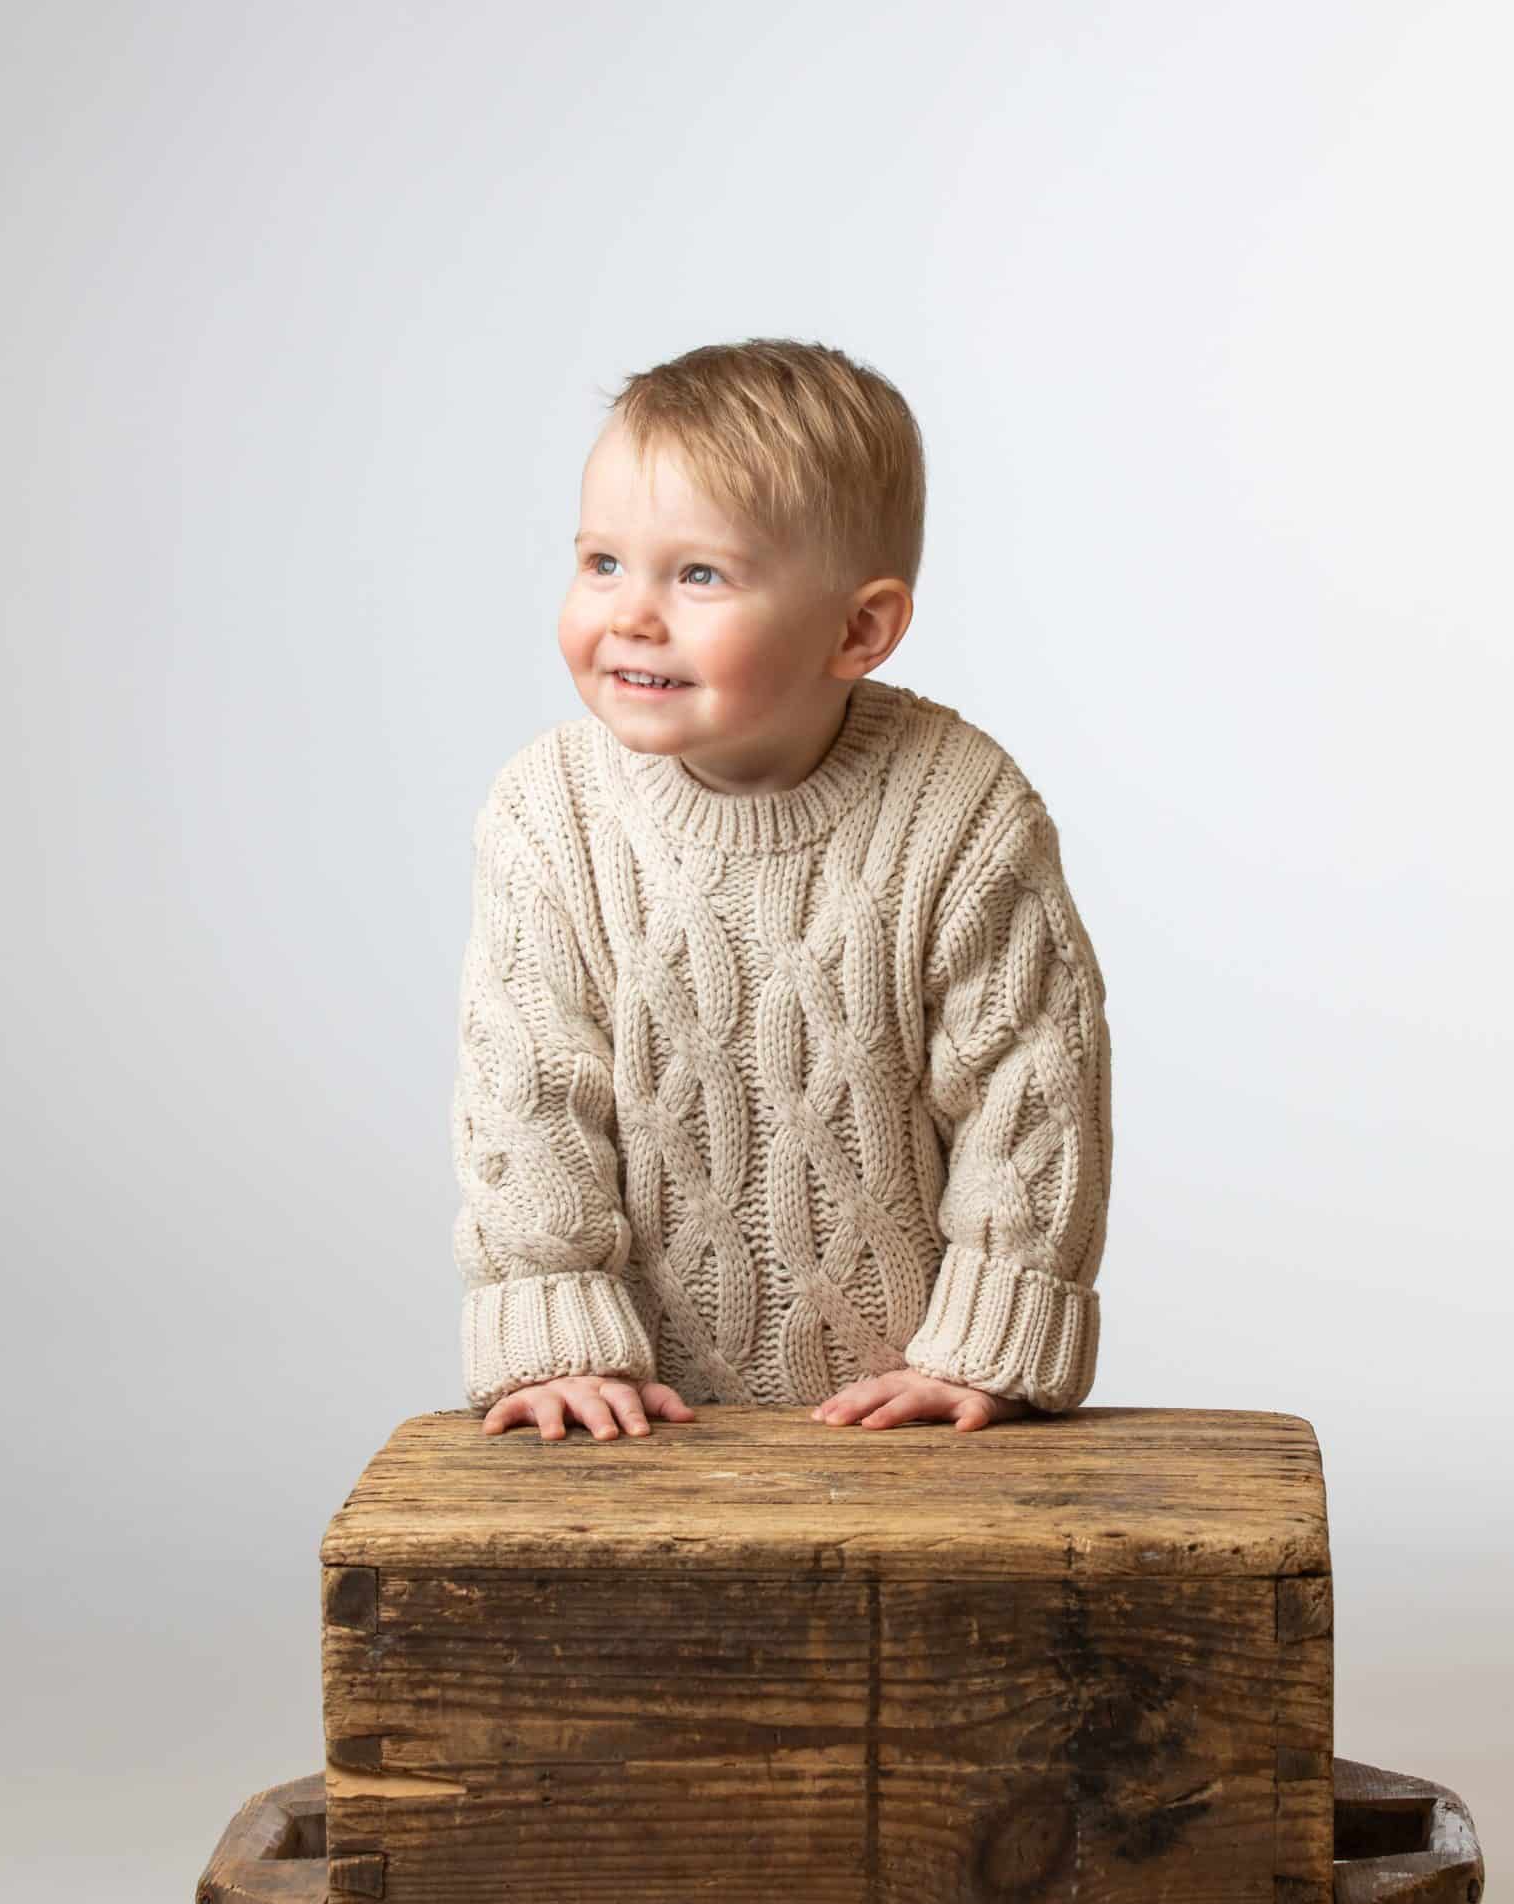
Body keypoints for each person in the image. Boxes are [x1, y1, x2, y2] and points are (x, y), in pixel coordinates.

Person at [451, 337, 1111, 1441]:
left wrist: (987, 1348)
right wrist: (557, 1334)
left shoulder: (959, 808)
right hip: (637, 1420)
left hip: (905, 1417)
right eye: (602, 562)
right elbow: (527, 1089)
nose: (632, 614)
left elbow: (1029, 1085)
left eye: (698, 575)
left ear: (859, 629)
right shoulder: (550, 813)